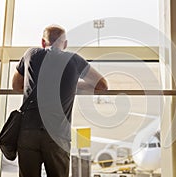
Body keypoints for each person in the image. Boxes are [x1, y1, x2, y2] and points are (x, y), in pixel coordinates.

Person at [12, 24, 108, 177]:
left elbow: (16, 86)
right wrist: (71, 85)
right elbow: (102, 85)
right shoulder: (74, 60)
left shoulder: (31, 54)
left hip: (28, 131)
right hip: (57, 135)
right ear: (65, 44)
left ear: (43, 43)